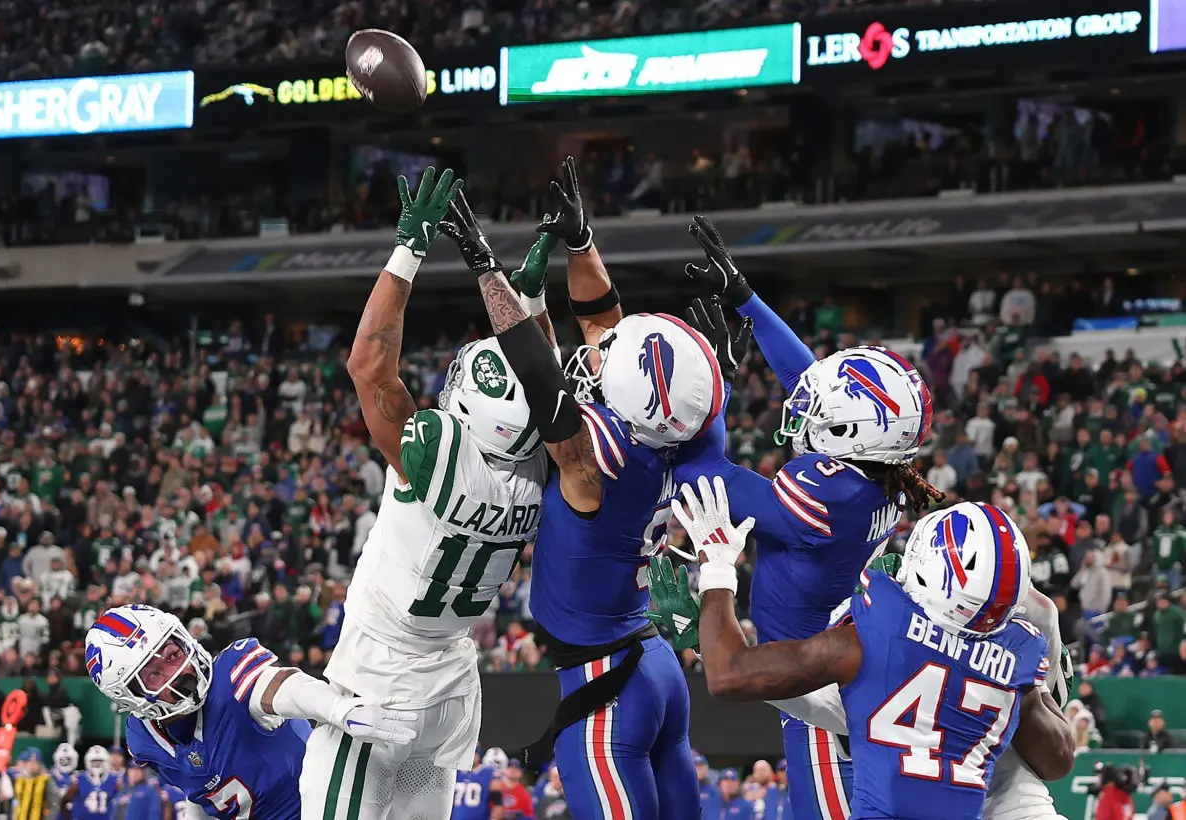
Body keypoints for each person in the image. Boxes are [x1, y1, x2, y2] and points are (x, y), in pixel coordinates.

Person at [438, 162, 725, 819]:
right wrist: (580, 242)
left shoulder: (592, 459)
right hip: (649, 665)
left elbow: (541, 375)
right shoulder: (662, 430)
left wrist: (485, 265)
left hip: (607, 690)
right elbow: (603, 324)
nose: (597, 351)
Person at [659, 217, 942, 820]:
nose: (805, 411)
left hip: (815, 697)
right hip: (822, 666)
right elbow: (805, 378)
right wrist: (747, 300)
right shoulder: (878, 475)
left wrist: (713, 381)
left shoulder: (823, 495)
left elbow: (705, 477)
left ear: (849, 434)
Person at [300, 167, 548, 820]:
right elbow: (543, 396)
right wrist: (533, 307)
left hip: (381, 678)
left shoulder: (434, 456)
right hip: (452, 685)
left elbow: (368, 365)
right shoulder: (545, 470)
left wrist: (408, 247)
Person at [675, 484, 1074, 820]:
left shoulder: (868, 638)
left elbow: (745, 679)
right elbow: (1058, 761)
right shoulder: (1023, 641)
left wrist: (717, 572)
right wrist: (1020, 684)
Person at [85, 605, 414, 820]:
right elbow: (200, 792)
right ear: (131, 697)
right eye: (154, 673)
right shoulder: (144, 739)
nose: (180, 670)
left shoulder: (230, 678)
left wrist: (336, 707)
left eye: (172, 653)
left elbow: (284, 687)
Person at [62, 747, 118, 820]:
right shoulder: (79, 779)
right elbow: (64, 802)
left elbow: (123, 803)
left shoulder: (115, 780)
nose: (97, 764)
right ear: (87, 762)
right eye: (94, 761)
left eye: (100, 761)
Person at [450, 747, 503, 820]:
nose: (470, 756)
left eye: (474, 753)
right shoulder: (454, 772)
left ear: (479, 755)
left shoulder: (489, 772)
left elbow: (498, 803)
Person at [13, 748, 60, 820]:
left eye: (35, 762)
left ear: (40, 764)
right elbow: (15, 803)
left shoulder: (46, 780)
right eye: (30, 762)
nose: (32, 765)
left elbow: (54, 805)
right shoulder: (19, 780)